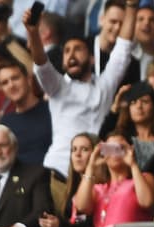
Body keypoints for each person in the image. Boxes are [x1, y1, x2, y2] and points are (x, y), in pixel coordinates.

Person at [25, 2, 135, 176]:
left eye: (78, 49)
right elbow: (41, 64)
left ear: (92, 59)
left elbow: (123, 48)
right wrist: (33, 33)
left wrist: (132, 7)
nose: (71, 55)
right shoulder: (58, 86)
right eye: (67, 51)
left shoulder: (105, 85)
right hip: (56, 170)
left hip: (94, 173)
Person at [74, 133, 154, 227]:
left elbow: (147, 202)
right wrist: (91, 166)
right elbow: (81, 206)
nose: (114, 152)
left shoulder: (144, 178)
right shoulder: (98, 188)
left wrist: (133, 164)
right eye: (109, 148)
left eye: (119, 148)